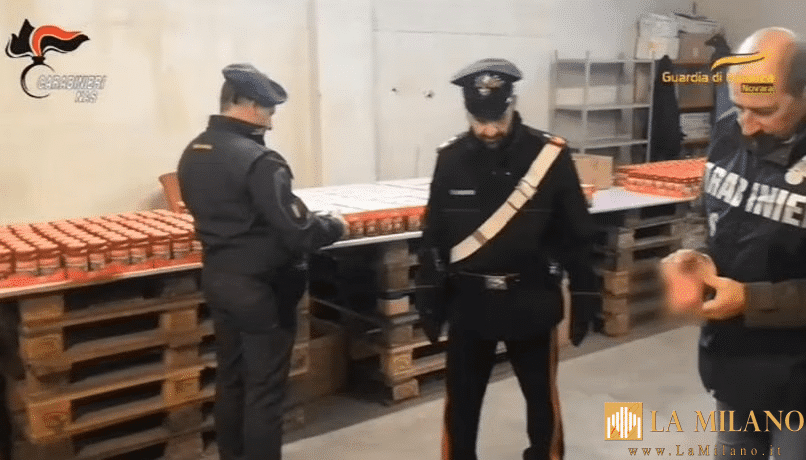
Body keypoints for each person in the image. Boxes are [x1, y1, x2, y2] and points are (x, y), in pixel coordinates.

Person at [417, 58, 601, 460]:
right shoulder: (451, 159)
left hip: (530, 297)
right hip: (470, 302)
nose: (489, 130)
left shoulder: (548, 155)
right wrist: (428, 297)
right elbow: (435, 235)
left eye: (497, 119)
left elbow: (577, 233)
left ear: (512, 103)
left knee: (541, 399)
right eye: (479, 120)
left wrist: (586, 294)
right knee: (461, 404)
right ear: (467, 111)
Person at [177, 63, 346, 460]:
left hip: (219, 278)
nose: (271, 120)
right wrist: (334, 226)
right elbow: (298, 231)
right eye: (268, 110)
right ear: (249, 105)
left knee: (231, 379)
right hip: (261, 291)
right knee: (264, 391)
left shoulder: (194, 152)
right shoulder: (259, 160)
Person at [660, 28, 806, 459]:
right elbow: (706, 214)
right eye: (738, 105)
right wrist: (696, 256)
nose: (746, 124)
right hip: (733, 364)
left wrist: (751, 300)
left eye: (764, 110)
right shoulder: (728, 132)